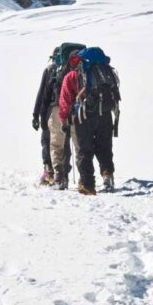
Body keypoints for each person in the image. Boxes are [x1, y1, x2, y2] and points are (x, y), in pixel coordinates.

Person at [58, 47, 120, 195]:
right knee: (104, 147)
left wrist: (64, 120)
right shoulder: (107, 71)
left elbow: (65, 100)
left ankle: (87, 184)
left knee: (84, 150)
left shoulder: (72, 75)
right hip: (105, 114)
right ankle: (107, 176)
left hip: (82, 117)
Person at [47, 43, 85, 190]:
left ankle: (59, 176)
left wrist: (39, 114)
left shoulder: (59, 70)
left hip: (58, 108)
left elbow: (47, 93)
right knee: (79, 145)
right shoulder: (81, 71)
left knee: (57, 144)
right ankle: (83, 177)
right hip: (79, 110)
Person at [32, 50, 60, 185]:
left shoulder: (50, 69)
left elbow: (42, 93)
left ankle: (48, 172)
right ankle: (62, 174)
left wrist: (36, 114)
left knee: (47, 140)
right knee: (62, 144)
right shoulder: (72, 70)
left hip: (50, 110)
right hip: (68, 112)